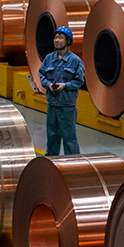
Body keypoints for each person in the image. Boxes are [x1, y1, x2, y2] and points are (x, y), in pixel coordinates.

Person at [38, 26, 84, 155]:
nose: (57, 40)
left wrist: (65, 85)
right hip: (52, 104)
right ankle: (51, 163)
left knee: (69, 137)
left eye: (60, 38)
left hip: (67, 106)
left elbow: (79, 81)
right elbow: (41, 74)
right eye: (55, 37)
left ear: (67, 41)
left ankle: (74, 162)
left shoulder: (75, 61)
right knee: (52, 136)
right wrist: (48, 85)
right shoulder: (48, 59)